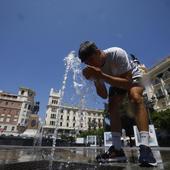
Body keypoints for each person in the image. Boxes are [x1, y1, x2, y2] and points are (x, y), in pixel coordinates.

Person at [78, 41, 157, 167]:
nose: (90, 64)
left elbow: (127, 83)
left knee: (135, 96)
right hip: (115, 81)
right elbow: (103, 95)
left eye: (91, 60)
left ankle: (145, 147)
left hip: (132, 76)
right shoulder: (95, 69)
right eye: (87, 63)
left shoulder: (116, 53)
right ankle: (117, 149)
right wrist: (97, 79)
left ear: (98, 52)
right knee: (112, 106)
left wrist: (101, 75)